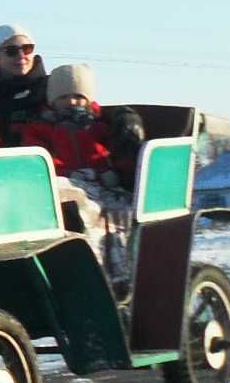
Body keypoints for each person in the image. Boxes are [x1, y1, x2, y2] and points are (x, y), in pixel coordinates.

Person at [16, 62, 144, 279]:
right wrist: (61, 171)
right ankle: (88, 264)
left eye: (78, 96)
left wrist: (109, 170)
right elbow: (38, 155)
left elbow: (110, 154)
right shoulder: (41, 127)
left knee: (116, 209)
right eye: (63, 97)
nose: (71, 102)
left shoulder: (99, 126)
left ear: (88, 99)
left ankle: (116, 269)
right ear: (52, 101)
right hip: (64, 179)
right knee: (70, 199)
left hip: (100, 183)